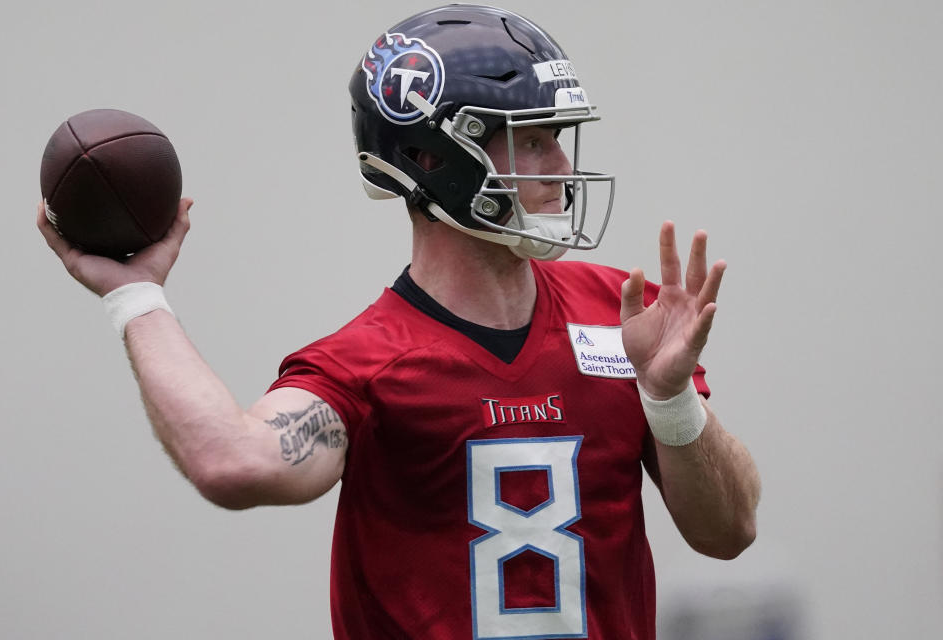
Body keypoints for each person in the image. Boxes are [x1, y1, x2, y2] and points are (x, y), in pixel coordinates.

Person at [38, 5, 760, 639]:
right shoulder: (368, 365)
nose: (561, 164)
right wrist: (137, 297)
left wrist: (670, 402)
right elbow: (235, 462)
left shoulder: (621, 315)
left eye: (558, 136)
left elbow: (730, 531)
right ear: (431, 156)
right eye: (533, 138)